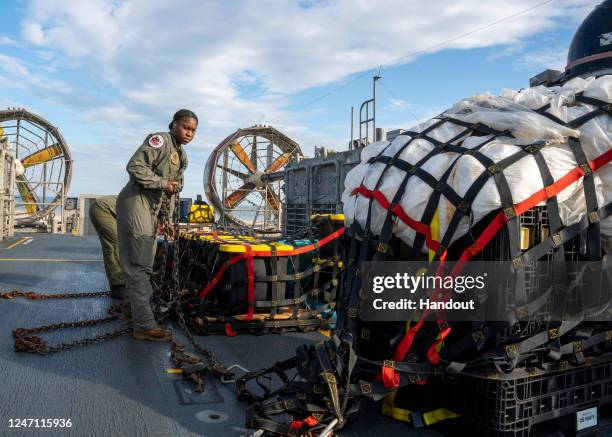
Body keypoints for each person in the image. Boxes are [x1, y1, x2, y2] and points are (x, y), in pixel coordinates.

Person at [117, 109, 197, 341]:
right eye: (185, 127)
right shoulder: (160, 141)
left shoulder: (182, 157)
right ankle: (143, 325)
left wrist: (165, 219)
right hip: (136, 201)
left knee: (145, 264)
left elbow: (170, 192)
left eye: (193, 130)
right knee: (139, 266)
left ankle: (131, 312)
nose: (189, 133)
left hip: (151, 209)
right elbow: (135, 167)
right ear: (173, 125)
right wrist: (162, 183)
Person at [88, 196, 125, 299]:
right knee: (115, 244)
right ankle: (118, 286)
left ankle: (121, 281)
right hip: (103, 209)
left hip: (107, 209)